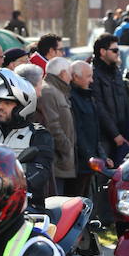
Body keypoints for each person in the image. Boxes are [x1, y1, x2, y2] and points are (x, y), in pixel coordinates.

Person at [0, 69, 54, 209]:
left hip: (26, 207)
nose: (0, 107)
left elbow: (40, 172)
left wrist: (12, 176)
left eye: (7, 103)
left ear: (22, 106)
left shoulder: (38, 135)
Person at [68, 61, 109, 198]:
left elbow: (94, 130)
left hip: (89, 160)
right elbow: (77, 131)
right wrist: (90, 156)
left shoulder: (87, 96)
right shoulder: (73, 98)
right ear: (75, 77)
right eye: (88, 76)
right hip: (81, 162)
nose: (91, 80)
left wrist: (101, 155)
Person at [92, 33, 129, 165]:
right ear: (102, 52)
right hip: (104, 136)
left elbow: (125, 102)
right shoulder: (94, 74)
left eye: (118, 50)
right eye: (114, 50)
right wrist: (115, 134)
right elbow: (99, 107)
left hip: (122, 133)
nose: (117, 53)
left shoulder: (116, 72)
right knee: (106, 174)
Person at [40, 57, 76, 193]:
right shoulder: (48, 91)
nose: (71, 78)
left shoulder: (58, 91)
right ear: (62, 73)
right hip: (57, 161)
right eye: (70, 73)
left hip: (62, 160)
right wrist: (67, 147)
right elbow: (52, 125)